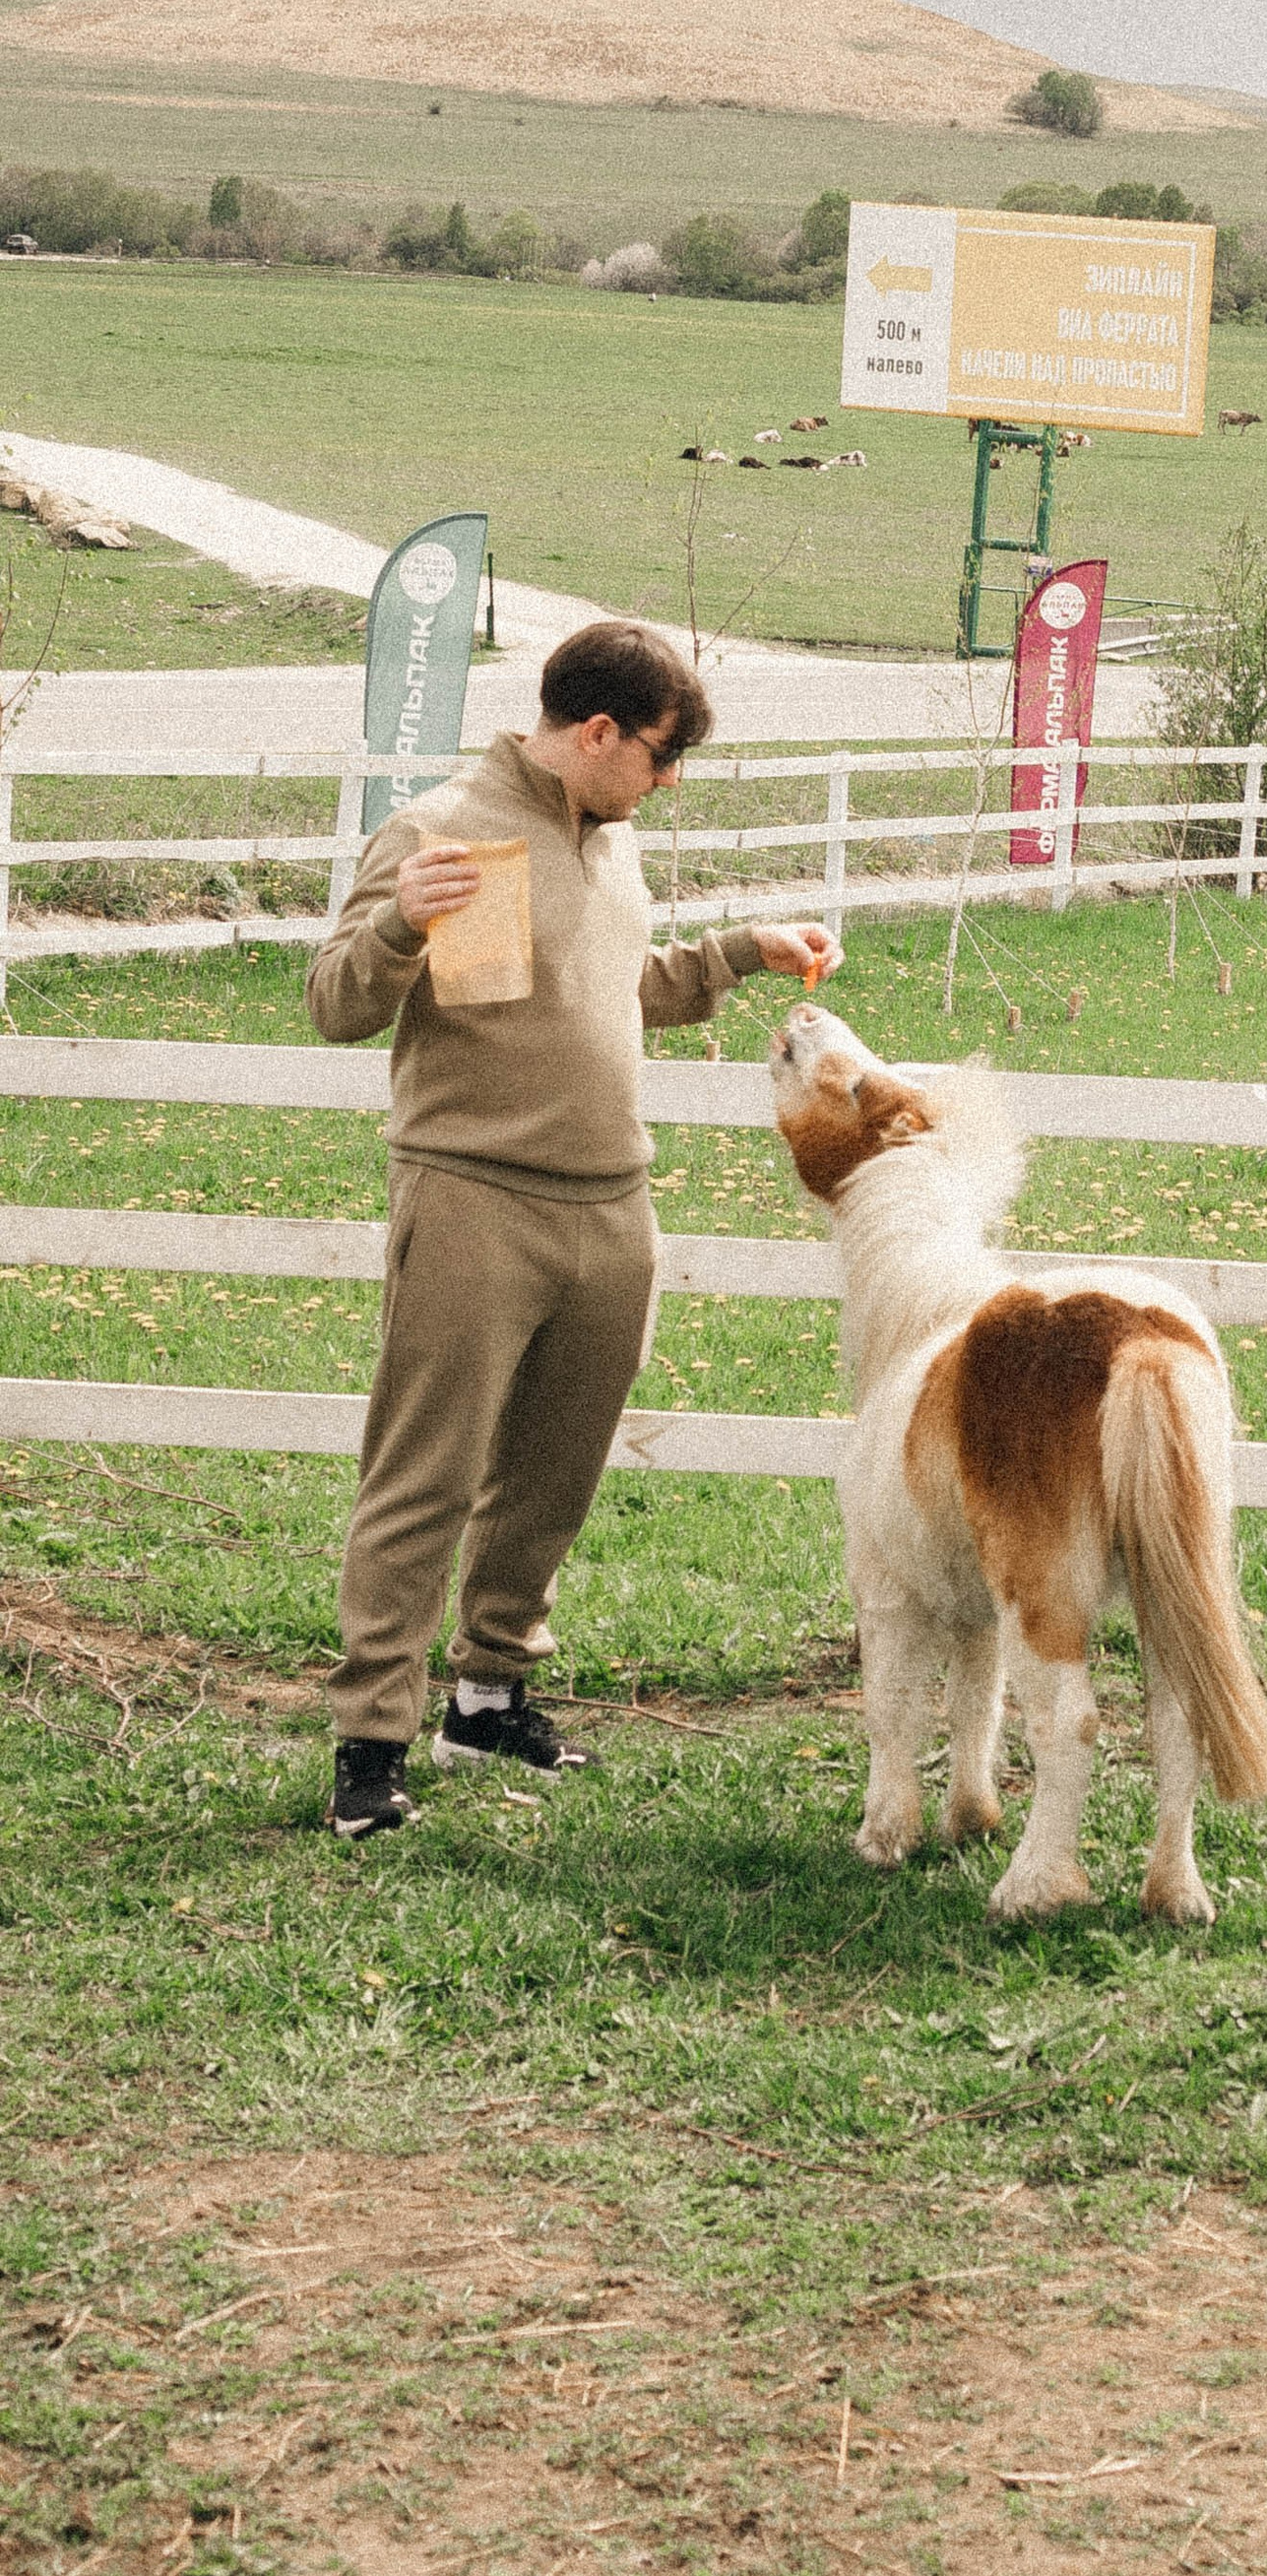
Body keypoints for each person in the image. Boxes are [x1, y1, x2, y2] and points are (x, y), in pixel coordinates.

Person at [307, 618, 832, 1837]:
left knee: (553, 1474)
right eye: (660, 755)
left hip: (613, 1205)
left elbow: (615, 988)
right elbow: (335, 1003)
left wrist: (745, 953)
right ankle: (369, 1745)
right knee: (422, 1479)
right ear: (595, 733)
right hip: (474, 1200)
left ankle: (488, 1697)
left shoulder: (610, 840)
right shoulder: (447, 835)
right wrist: (395, 928)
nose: (669, 781)